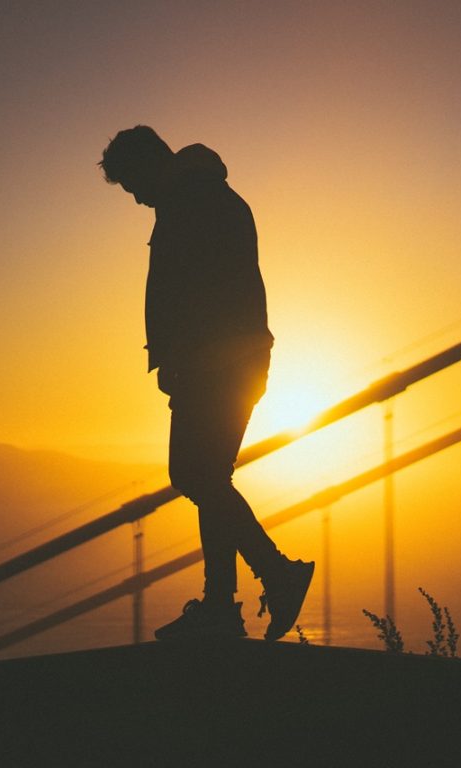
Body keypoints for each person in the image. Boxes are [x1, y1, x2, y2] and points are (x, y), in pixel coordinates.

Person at [99, 125, 314, 641]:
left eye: (133, 183)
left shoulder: (193, 202)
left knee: (195, 476)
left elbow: (201, 290)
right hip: (225, 361)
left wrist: (183, 357)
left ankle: (277, 573)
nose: (136, 197)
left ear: (151, 162)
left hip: (218, 364)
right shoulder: (198, 197)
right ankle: (222, 605)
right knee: (209, 478)